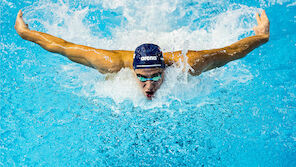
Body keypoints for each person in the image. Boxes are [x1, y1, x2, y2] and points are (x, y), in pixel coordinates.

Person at [15, 10, 270, 99]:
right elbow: (63, 46)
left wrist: (260, 37)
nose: (149, 87)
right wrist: (26, 33)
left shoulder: (187, 63)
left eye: (156, 76)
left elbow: (229, 53)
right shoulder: (112, 63)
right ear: (132, 71)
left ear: (164, 69)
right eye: (142, 77)